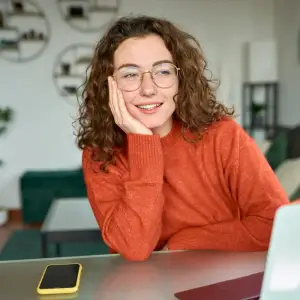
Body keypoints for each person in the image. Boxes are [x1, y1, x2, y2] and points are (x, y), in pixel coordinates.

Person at [76, 15, 289, 261]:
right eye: (130, 74)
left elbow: (276, 225)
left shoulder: (223, 135)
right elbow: (133, 248)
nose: (148, 88)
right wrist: (143, 141)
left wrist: (185, 243)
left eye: (163, 71)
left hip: (225, 281)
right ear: (109, 86)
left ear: (180, 79)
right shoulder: (101, 154)